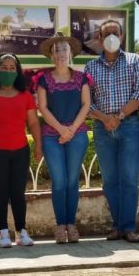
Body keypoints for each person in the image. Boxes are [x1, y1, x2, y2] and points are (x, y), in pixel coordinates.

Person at [85, 20, 139, 244]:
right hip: (102, 128)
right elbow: (87, 103)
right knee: (110, 180)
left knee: (129, 178)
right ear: (100, 39)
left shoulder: (134, 60)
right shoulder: (91, 67)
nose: (111, 36)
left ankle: (128, 227)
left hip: (128, 124)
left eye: (115, 32)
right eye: (106, 33)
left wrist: (118, 117)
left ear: (122, 36)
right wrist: (105, 119)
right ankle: (117, 226)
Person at [0, 53, 42, 247]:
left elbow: (34, 122)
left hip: (20, 151)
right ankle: (3, 233)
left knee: (18, 193)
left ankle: (21, 232)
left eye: (12, 68)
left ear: (17, 71)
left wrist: (38, 145)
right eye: (4, 67)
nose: (8, 71)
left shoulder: (26, 95)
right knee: (1, 193)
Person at [37, 33, 91, 244]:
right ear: (51, 54)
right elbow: (42, 108)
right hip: (52, 137)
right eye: (56, 50)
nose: (61, 54)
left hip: (77, 135)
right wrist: (61, 129)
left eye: (64, 49)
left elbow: (86, 105)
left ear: (70, 53)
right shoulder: (44, 79)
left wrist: (71, 130)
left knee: (71, 181)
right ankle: (60, 224)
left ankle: (71, 223)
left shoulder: (81, 78)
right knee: (59, 182)